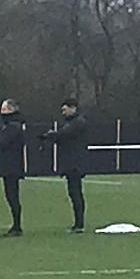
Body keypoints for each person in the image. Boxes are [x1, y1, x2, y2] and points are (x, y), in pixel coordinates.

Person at [40, 98, 89, 233]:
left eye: (65, 109)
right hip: (71, 163)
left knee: (76, 193)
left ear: (73, 108)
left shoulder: (78, 123)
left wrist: (50, 136)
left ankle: (79, 224)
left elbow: (64, 135)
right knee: (73, 193)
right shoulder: (71, 123)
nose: (63, 112)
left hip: (75, 163)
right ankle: (78, 223)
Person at [0, 99, 26, 237]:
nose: (1, 113)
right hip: (12, 165)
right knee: (11, 195)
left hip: (12, 166)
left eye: (4, 110)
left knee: (12, 196)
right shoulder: (15, 126)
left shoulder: (13, 127)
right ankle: (16, 225)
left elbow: (1, 142)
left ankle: (17, 226)